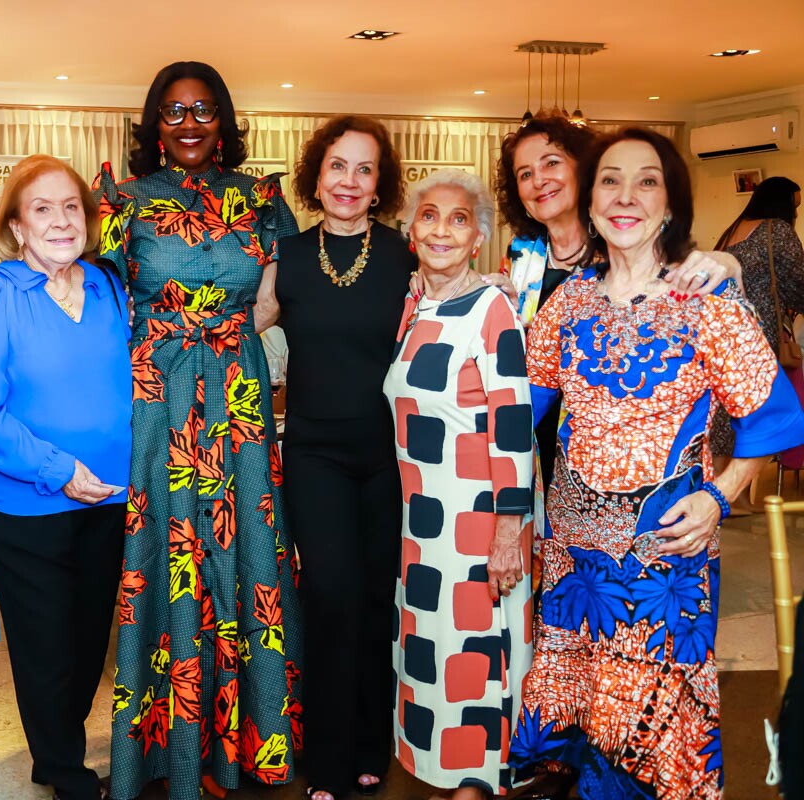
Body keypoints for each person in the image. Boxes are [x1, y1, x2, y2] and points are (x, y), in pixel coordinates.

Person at [510, 128, 804, 799]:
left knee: (652, 729)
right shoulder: (567, 303)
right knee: (582, 716)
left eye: (647, 181)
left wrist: (719, 497)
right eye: (611, 179)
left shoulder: (707, 300)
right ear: (589, 202)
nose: (626, 195)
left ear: (670, 205)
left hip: (663, 555)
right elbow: (517, 409)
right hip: (573, 559)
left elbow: (775, 415)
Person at [95, 61, 303, 800]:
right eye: (174, 111)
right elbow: (94, 304)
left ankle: (250, 741)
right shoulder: (120, 200)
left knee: (247, 542)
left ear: (225, 121)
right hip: (156, 395)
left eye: (203, 110)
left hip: (240, 393)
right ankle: (166, 749)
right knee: (167, 545)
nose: (188, 123)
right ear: (154, 123)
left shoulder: (263, 200)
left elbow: (283, 298)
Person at [0, 154, 132, 800]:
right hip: (26, 504)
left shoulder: (110, 286)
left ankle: (56, 749)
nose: (60, 221)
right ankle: (63, 768)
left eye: (70, 207)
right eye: (41, 209)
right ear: (16, 227)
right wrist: (59, 470)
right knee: (45, 648)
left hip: (109, 498)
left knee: (88, 646)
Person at [271, 115, 414, 800]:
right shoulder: (288, 258)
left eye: (364, 169)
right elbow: (225, 327)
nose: (349, 181)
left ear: (379, 183)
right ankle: (323, 754)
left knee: (376, 599)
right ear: (316, 176)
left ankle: (371, 743)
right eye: (337, 166)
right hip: (314, 454)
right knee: (329, 596)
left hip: (392, 456)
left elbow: (465, 303)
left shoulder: (407, 254)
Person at [384, 169, 534, 800]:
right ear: (411, 231)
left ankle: (479, 782)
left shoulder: (491, 307)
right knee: (435, 652)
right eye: (429, 217)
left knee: (476, 658)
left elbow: (514, 425)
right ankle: (448, 777)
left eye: (459, 219)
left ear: (478, 238)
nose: (441, 229)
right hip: (424, 524)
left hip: (477, 520)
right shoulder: (416, 303)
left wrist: (508, 531)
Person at [494, 113, 738, 490]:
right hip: (530, 443)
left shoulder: (626, 250)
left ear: (588, 175)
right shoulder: (522, 258)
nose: (538, 180)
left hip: (624, 462)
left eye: (552, 163)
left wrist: (728, 261)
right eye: (525, 174)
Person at [710, 176, 804, 461]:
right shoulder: (777, 230)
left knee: (727, 418)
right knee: (757, 416)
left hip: (722, 335)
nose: (796, 213)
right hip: (757, 337)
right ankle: (737, 493)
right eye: (794, 206)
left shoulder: (730, 232)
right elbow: (799, 283)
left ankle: (728, 493)